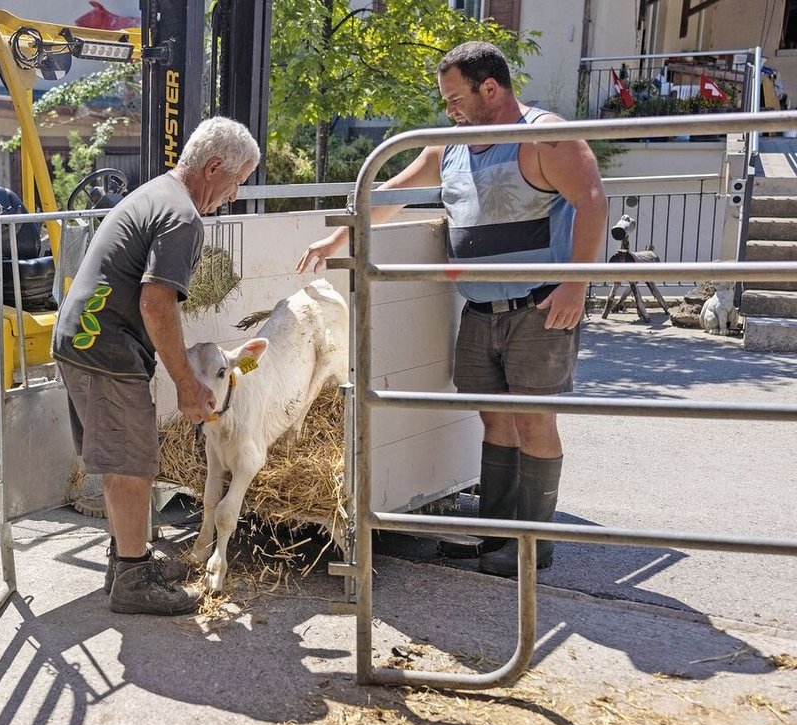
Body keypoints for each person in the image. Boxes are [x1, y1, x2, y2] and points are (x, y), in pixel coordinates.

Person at [297, 41, 607, 576]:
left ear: (491, 88)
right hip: (481, 310)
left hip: (538, 307)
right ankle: (495, 539)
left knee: (534, 422)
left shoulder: (543, 134)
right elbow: (390, 193)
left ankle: (534, 548)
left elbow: (593, 199)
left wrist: (576, 284)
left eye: (456, 97)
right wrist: (339, 241)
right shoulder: (448, 148)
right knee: (496, 422)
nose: (450, 110)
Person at [53, 116, 261, 614]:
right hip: (106, 344)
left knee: (123, 459)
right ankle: (131, 579)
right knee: (130, 463)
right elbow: (156, 303)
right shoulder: (183, 216)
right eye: (236, 183)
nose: (233, 195)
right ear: (214, 167)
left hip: (83, 338)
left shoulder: (157, 193)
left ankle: (127, 558)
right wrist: (187, 383)